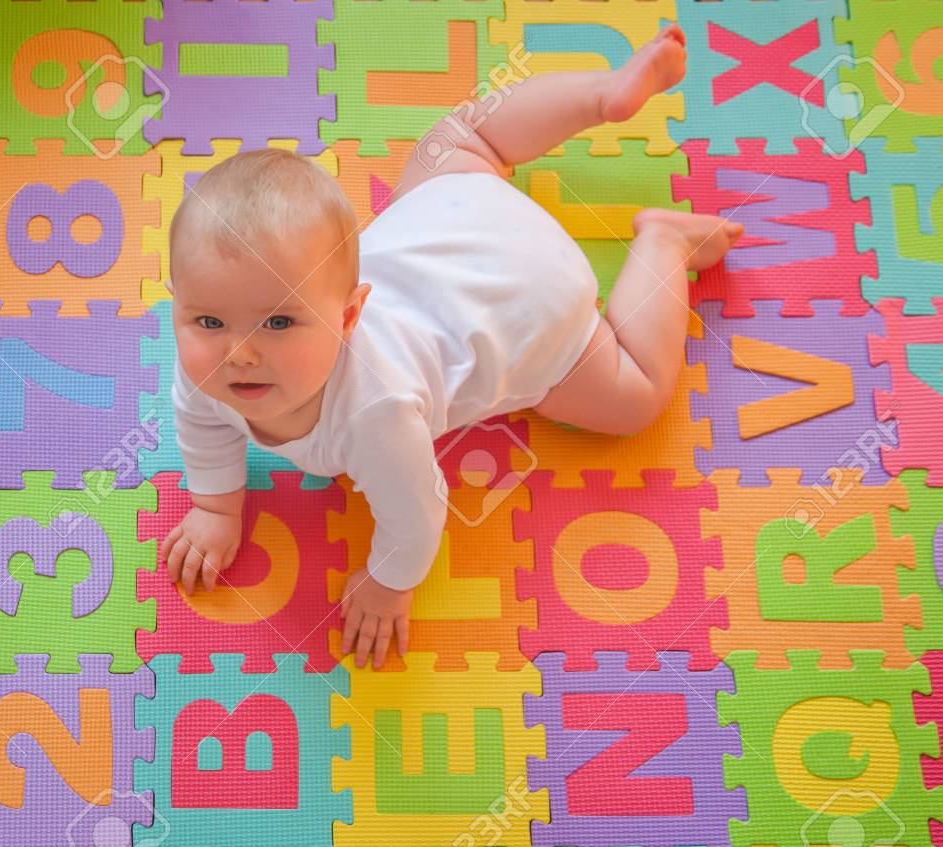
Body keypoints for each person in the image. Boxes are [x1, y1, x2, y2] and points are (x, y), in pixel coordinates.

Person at [161, 25, 742, 669]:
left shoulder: (374, 414)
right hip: (457, 208)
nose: (238, 352)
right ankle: (599, 95)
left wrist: (389, 583)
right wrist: (216, 507)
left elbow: (417, 515)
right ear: (179, 302)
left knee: (634, 393)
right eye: (207, 321)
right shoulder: (207, 364)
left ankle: (661, 242)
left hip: (531, 300)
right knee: (465, 138)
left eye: (277, 324)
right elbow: (202, 422)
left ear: (352, 314)